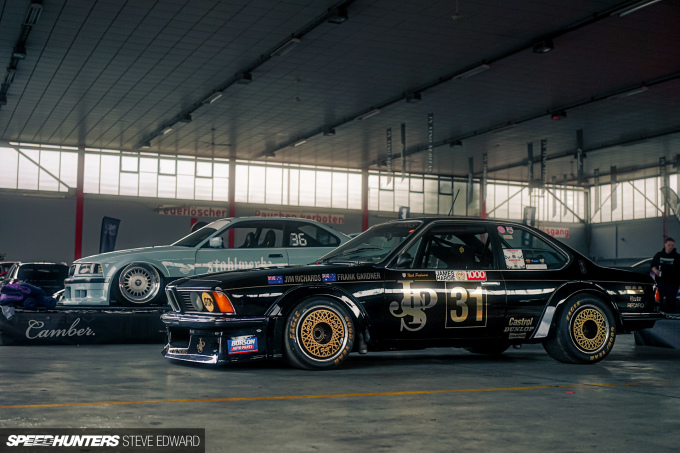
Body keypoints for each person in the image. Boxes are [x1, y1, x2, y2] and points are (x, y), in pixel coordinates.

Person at [651, 237, 680, 313]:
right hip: (660, 282)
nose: (671, 247)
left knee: (671, 301)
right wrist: (655, 270)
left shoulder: (677, 257)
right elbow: (653, 265)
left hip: (672, 283)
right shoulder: (659, 255)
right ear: (665, 245)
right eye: (669, 245)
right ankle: (660, 314)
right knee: (659, 300)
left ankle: (671, 315)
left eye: (672, 245)